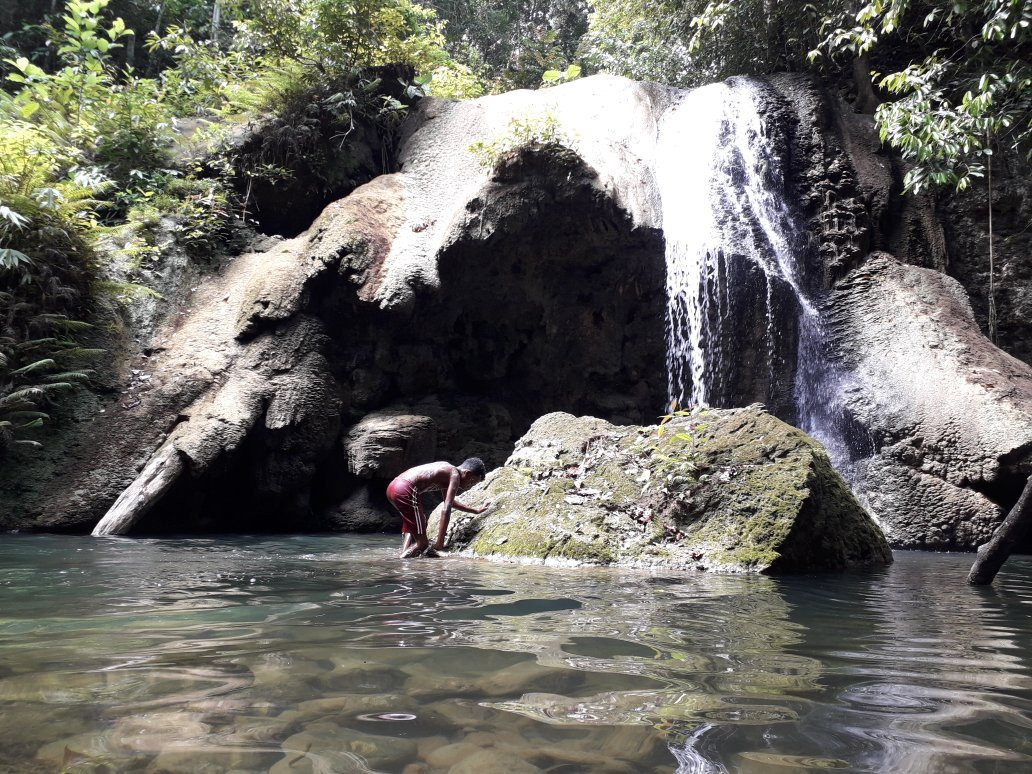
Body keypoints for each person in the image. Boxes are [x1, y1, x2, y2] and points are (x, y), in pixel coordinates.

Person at [386, 457, 490, 558]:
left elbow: (450, 502)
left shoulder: (447, 470)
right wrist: (439, 543)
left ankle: (404, 555)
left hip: (394, 486)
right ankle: (400, 563)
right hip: (405, 489)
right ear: (467, 473)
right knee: (423, 544)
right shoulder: (455, 475)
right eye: (471, 481)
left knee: (415, 525)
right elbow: (446, 508)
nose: (469, 486)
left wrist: (476, 511)